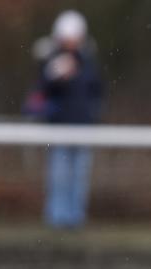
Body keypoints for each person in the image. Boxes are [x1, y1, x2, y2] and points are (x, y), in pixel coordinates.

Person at [35, 10, 102, 229]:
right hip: (59, 129)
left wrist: (93, 115)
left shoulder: (88, 63)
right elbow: (42, 92)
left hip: (83, 128)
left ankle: (75, 218)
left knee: (79, 176)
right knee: (59, 176)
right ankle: (56, 218)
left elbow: (97, 92)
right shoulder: (52, 62)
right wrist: (56, 76)